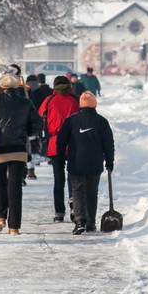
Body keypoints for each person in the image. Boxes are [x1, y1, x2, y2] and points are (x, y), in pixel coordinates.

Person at [0, 73, 42, 235]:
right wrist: (25, 132)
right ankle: (14, 226)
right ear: (16, 86)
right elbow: (37, 124)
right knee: (15, 188)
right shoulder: (25, 102)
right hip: (18, 150)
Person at [56, 91, 114, 235]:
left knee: (77, 190)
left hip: (76, 162)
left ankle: (80, 220)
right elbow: (108, 143)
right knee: (91, 192)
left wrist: (60, 157)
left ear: (80, 105)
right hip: (95, 163)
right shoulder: (102, 121)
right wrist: (109, 161)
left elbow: (61, 141)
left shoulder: (71, 121)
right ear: (94, 105)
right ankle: (91, 222)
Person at [38, 75, 79, 222]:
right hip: (74, 143)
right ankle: (74, 204)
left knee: (58, 180)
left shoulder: (49, 100)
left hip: (55, 144)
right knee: (73, 178)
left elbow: (39, 117)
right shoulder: (75, 99)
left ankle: (59, 212)